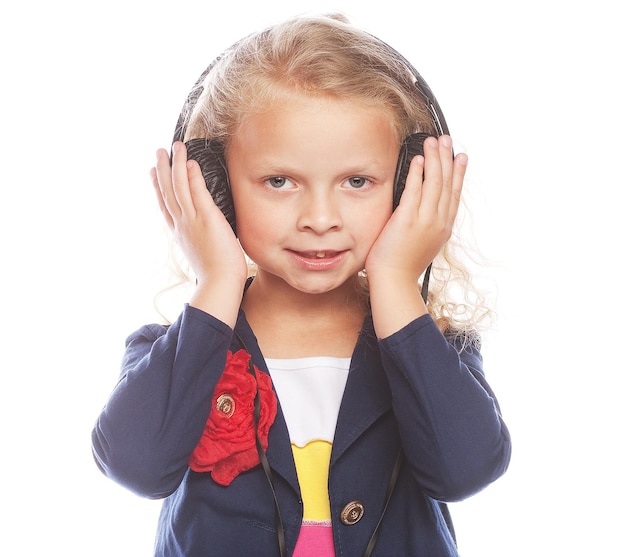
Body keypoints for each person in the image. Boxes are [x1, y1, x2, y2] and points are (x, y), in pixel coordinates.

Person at [92, 13, 511, 557]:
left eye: (357, 182)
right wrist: (217, 278)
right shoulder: (170, 352)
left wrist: (394, 281)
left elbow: (466, 471)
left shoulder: (436, 347)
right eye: (279, 181)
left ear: (411, 183)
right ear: (215, 188)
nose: (319, 218)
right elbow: (136, 467)